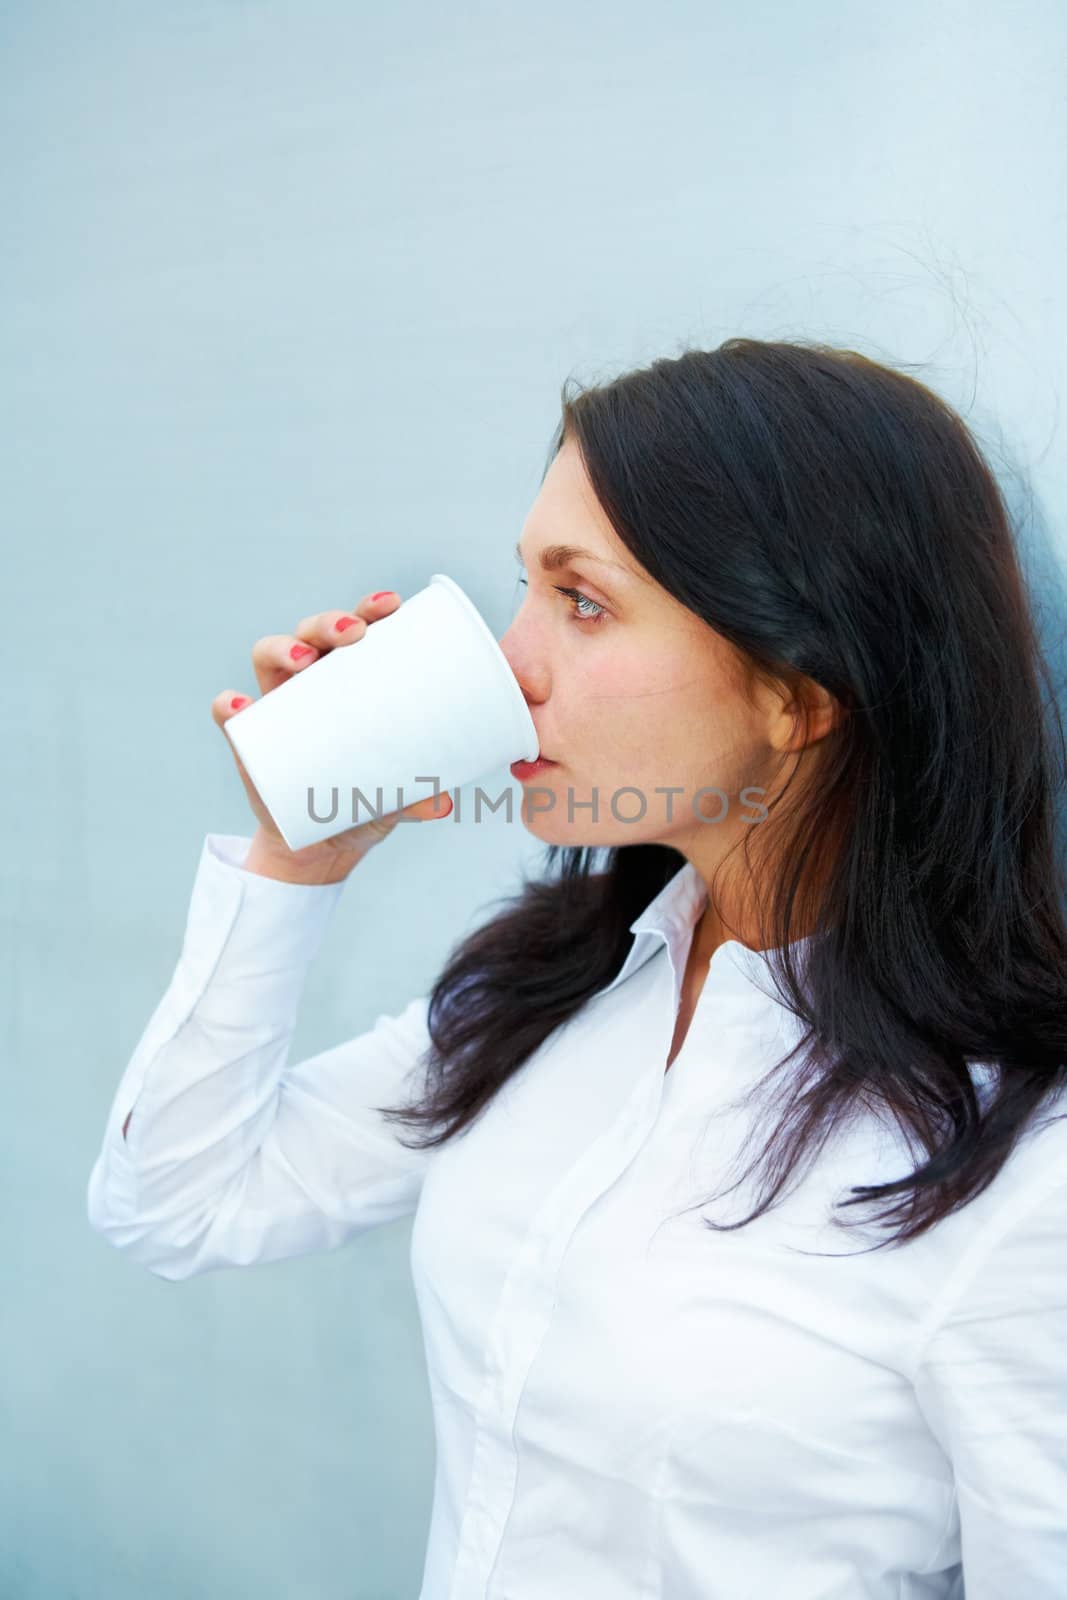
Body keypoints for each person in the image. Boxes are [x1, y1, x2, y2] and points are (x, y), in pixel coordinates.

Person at [87, 338, 1067, 1598]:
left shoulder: (1016, 1169)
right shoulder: (556, 994)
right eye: (523, 589)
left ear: (799, 692)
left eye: (581, 600)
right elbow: (175, 1201)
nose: (510, 662)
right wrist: (300, 853)